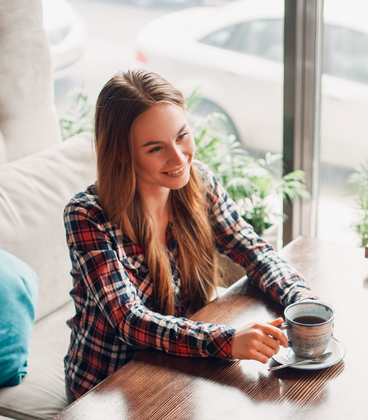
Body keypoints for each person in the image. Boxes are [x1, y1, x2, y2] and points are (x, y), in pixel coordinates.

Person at [64, 70, 315, 399]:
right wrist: (227, 340)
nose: (179, 157)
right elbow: (129, 320)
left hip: (181, 366)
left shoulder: (201, 184)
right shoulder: (87, 215)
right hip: (108, 386)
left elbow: (254, 252)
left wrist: (301, 300)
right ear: (123, 152)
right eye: (156, 149)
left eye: (182, 136)